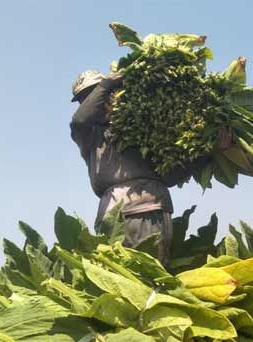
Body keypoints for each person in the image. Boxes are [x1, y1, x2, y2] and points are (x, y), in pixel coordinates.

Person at [70, 70, 227, 265]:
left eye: (94, 95)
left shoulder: (140, 127)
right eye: (85, 100)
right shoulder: (89, 135)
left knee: (151, 274)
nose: (92, 103)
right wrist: (107, 84)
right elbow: (80, 120)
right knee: (119, 279)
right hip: (115, 215)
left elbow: (169, 176)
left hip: (154, 208)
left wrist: (209, 152)